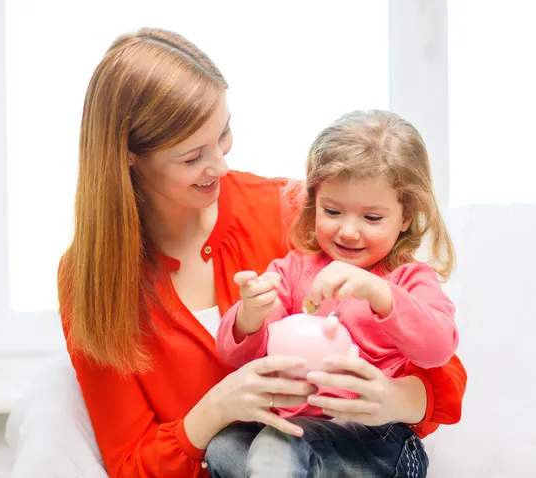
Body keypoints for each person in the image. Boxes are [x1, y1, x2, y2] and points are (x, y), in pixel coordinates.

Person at [57, 27, 467, 478]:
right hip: (249, 456)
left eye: (224, 133)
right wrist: (215, 408)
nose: (221, 165)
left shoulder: (291, 211)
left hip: (350, 446)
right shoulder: (90, 278)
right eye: (193, 156)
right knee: (235, 449)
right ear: (129, 156)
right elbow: (132, 464)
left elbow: (440, 367)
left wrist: (396, 398)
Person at [211, 109, 458, 477]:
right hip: (297, 436)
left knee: (278, 447)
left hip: (377, 442)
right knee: (224, 447)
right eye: (333, 211)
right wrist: (250, 315)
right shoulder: (293, 270)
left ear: (405, 216)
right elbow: (234, 355)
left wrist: (380, 293)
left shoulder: (409, 279)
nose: (348, 231)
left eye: (371, 218)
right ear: (314, 202)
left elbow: (438, 348)